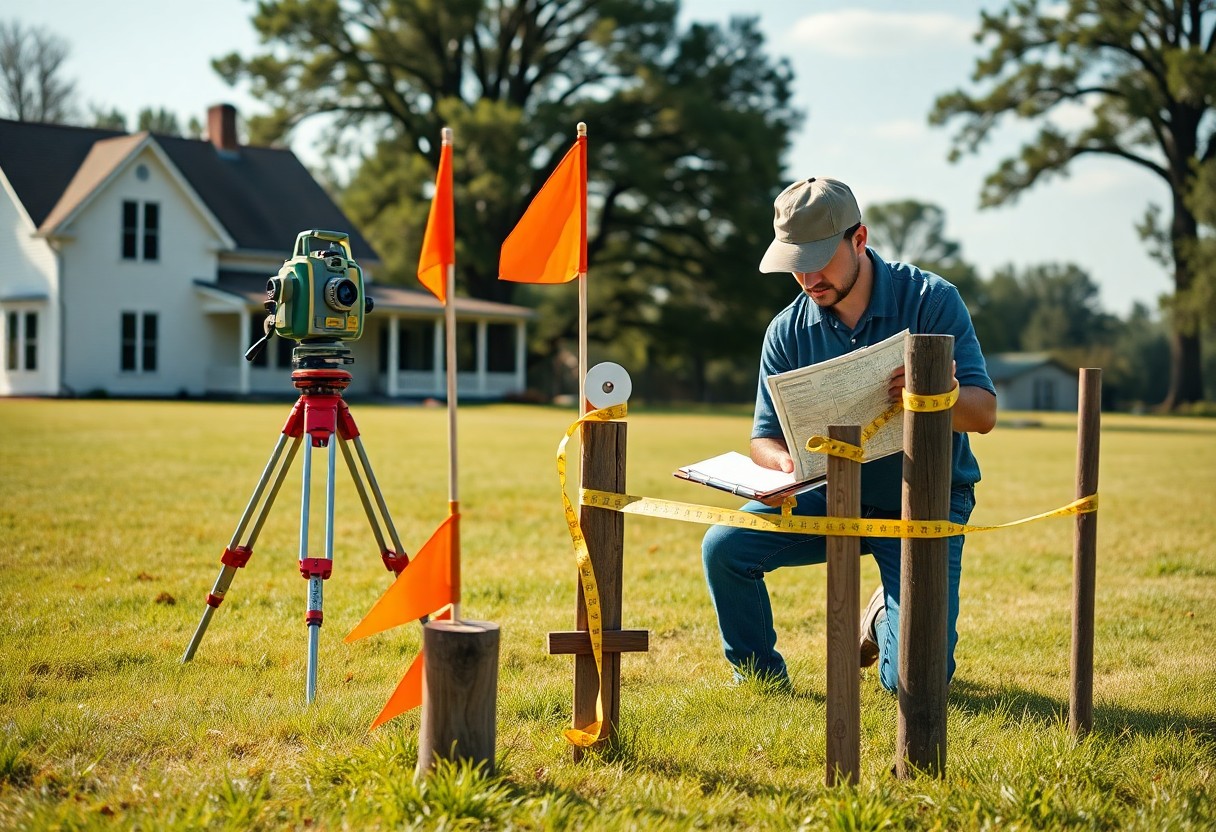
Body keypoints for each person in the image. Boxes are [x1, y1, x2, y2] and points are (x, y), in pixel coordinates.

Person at [701, 176, 997, 693]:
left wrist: (940, 394)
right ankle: (758, 679)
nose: (808, 277)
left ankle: (885, 618)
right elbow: (764, 438)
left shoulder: (931, 299)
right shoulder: (785, 331)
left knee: (916, 682)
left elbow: (984, 413)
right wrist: (782, 464)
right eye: (795, 263)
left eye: (818, 258)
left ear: (858, 239)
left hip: (925, 505)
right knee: (724, 547)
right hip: (827, 496)